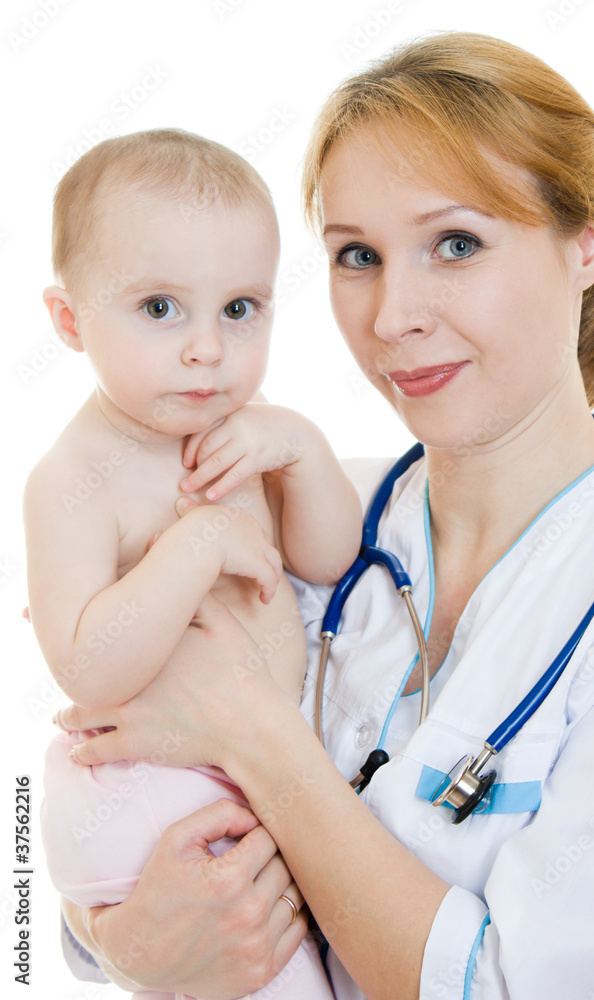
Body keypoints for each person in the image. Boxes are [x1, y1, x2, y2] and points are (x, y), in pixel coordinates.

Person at [51, 33, 594, 1000]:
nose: (391, 316)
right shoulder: (298, 511)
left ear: (585, 245)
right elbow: (118, 781)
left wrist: (258, 739)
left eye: (456, 244)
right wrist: (110, 937)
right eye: (357, 256)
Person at [25, 128, 361, 999]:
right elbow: (88, 668)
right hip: (150, 796)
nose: (208, 348)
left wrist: (303, 450)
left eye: (240, 309)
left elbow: (329, 559)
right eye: (160, 308)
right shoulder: (72, 478)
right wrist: (200, 542)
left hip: (238, 775)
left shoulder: (244, 431)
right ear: (69, 321)